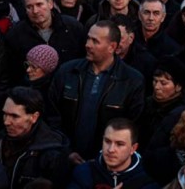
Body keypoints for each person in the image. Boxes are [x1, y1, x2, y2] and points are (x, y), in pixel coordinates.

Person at [49, 20, 145, 159]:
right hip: (64, 157)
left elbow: (132, 126)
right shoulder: (67, 71)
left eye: (95, 41)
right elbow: (53, 116)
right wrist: (67, 151)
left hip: (106, 161)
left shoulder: (132, 80)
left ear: (112, 47)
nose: (88, 45)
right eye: (88, 38)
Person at [0, 87, 70, 187]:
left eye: (14, 116)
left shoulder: (52, 155)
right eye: (5, 114)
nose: (6, 122)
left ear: (34, 117)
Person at [5, 0, 86, 83]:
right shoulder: (15, 35)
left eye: (39, 4)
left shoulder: (73, 28)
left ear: (50, 3)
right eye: (29, 7)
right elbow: (11, 73)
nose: (35, 11)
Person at [68, 118, 157, 189]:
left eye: (120, 144)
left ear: (133, 148)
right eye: (107, 141)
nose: (111, 149)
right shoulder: (85, 172)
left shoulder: (148, 179)